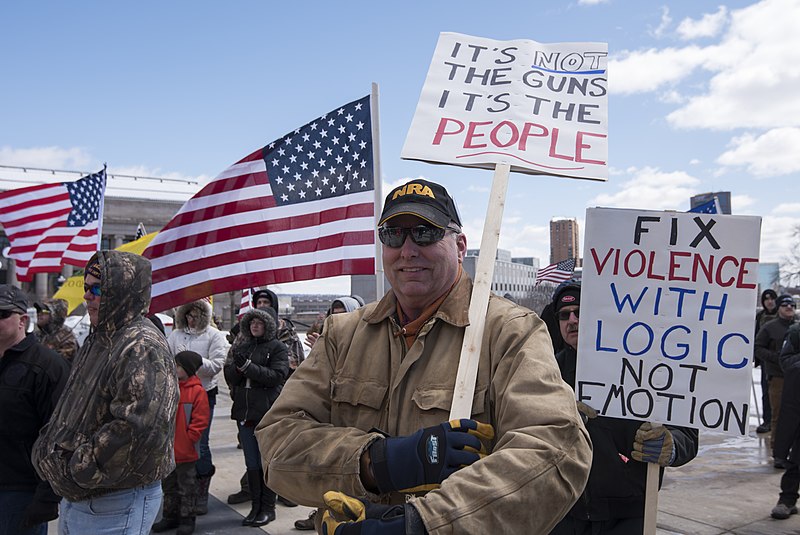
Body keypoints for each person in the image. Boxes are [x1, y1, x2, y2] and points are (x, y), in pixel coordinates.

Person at [256, 179, 592, 534]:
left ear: (460, 245)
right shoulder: (343, 334)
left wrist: (422, 525)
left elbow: (556, 449)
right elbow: (277, 443)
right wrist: (378, 462)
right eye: (393, 235)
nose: (408, 249)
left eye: (425, 232)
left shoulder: (509, 331)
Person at [32, 250, 179, 534]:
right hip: (84, 496)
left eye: (97, 289)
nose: (87, 296)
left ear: (122, 292)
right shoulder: (102, 338)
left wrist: (77, 467)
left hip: (114, 500)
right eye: (86, 288)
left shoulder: (141, 345)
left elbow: (138, 430)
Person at [548, 282, 699, 535]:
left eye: (580, 311)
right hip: (564, 510)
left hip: (628, 512)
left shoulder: (646, 366)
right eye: (565, 315)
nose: (572, 320)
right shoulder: (548, 371)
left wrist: (671, 446)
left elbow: (688, 435)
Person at [0, 285, 70, 535]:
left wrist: (48, 496)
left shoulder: (47, 365)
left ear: (22, 320)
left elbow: (60, 435)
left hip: (21, 490)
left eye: (1, 314)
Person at [226, 287, 304, 507]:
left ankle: (283, 489)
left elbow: (292, 369)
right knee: (251, 452)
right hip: (247, 402)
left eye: (266, 303)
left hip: (278, 400)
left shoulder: (286, 334)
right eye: (259, 303)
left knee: (277, 450)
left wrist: (252, 368)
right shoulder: (244, 336)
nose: (262, 307)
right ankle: (252, 490)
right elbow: (230, 367)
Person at [294, 296, 365, 531]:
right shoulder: (327, 338)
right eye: (333, 311)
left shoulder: (364, 338)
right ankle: (320, 509)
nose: (337, 315)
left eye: (342, 311)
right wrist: (319, 355)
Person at [224, 307, 289, 527]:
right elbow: (230, 375)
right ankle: (255, 506)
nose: (255, 326)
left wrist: (248, 367)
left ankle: (268, 509)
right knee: (251, 462)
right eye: (252, 323)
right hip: (245, 411)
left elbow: (277, 376)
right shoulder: (243, 346)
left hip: (266, 412)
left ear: (268, 325)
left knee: (266, 460)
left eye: (259, 323)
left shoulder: (278, 348)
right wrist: (239, 369)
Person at [168, 298, 229, 514]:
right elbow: (167, 360)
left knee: (200, 444)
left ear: (203, 317)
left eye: (195, 316)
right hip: (178, 392)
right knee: (178, 442)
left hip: (204, 392)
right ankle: (176, 492)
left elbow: (216, 366)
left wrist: (193, 361)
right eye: (188, 315)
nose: (190, 320)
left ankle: (201, 486)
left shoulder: (214, 336)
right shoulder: (175, 335)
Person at [153, 351, 210, 535]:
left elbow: (200, 420)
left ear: (188, 368)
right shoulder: (169, 387)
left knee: (187, 487)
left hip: (186, 450)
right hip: (168, 449)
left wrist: (190, 437)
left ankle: (187, 518)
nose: (175, 368)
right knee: (169, 486)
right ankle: (170, 516)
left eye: (178, 366)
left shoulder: (197, 391)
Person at [755, 293, 797, 468]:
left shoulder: (798, 327)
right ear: (779, 308)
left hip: (796, 378)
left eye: (792, 305)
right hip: (778, 377)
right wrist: (775, 358)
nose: (789, 308)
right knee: (778, 415)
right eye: (785, 305)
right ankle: (778, 452)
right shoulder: (770, 327)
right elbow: (757, 347)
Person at [771, 321, 800, 519]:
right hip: (798, 401)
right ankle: (787, 499)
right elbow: (786, 360)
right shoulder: (796, 333)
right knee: (797, 456)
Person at [755, 289, 778, 433]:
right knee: (765, 391)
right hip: (765, 360)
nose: (769, 301)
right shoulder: (760, 316)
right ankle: (767, 420)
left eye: (772, 298)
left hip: (780, 361)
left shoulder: (781, 316)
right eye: (766, 299)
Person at [34, 298, 79, 363]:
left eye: (44, 311)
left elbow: (57, 364)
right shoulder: (36, 335)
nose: (39, 314)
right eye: (38, 310)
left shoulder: (67, 338)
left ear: (55, 314)